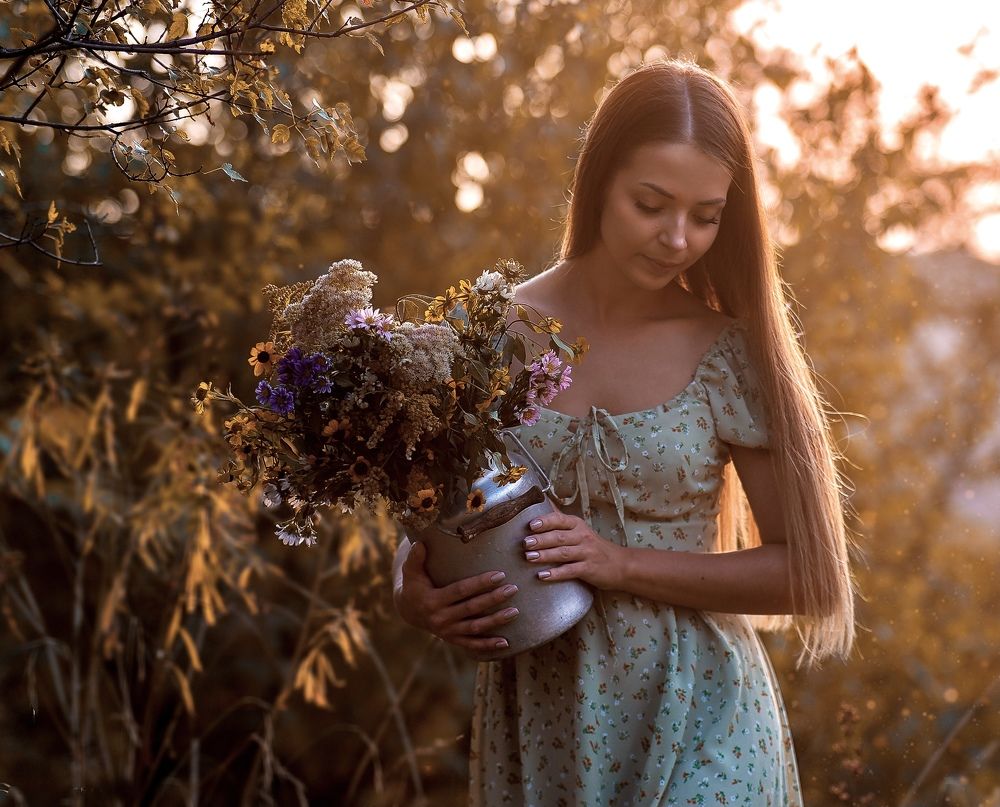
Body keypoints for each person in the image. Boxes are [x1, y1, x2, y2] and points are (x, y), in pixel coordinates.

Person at [393, 58, 855, 805]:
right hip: (543, 715)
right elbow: (434, 519)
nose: (678, 238)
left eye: (706, 215)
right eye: (652, 203)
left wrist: (618, 562)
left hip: (706, 715)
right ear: (600, 179)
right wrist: (409, 589)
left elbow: (806, 574)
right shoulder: (487, 334)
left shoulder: (728, 350)